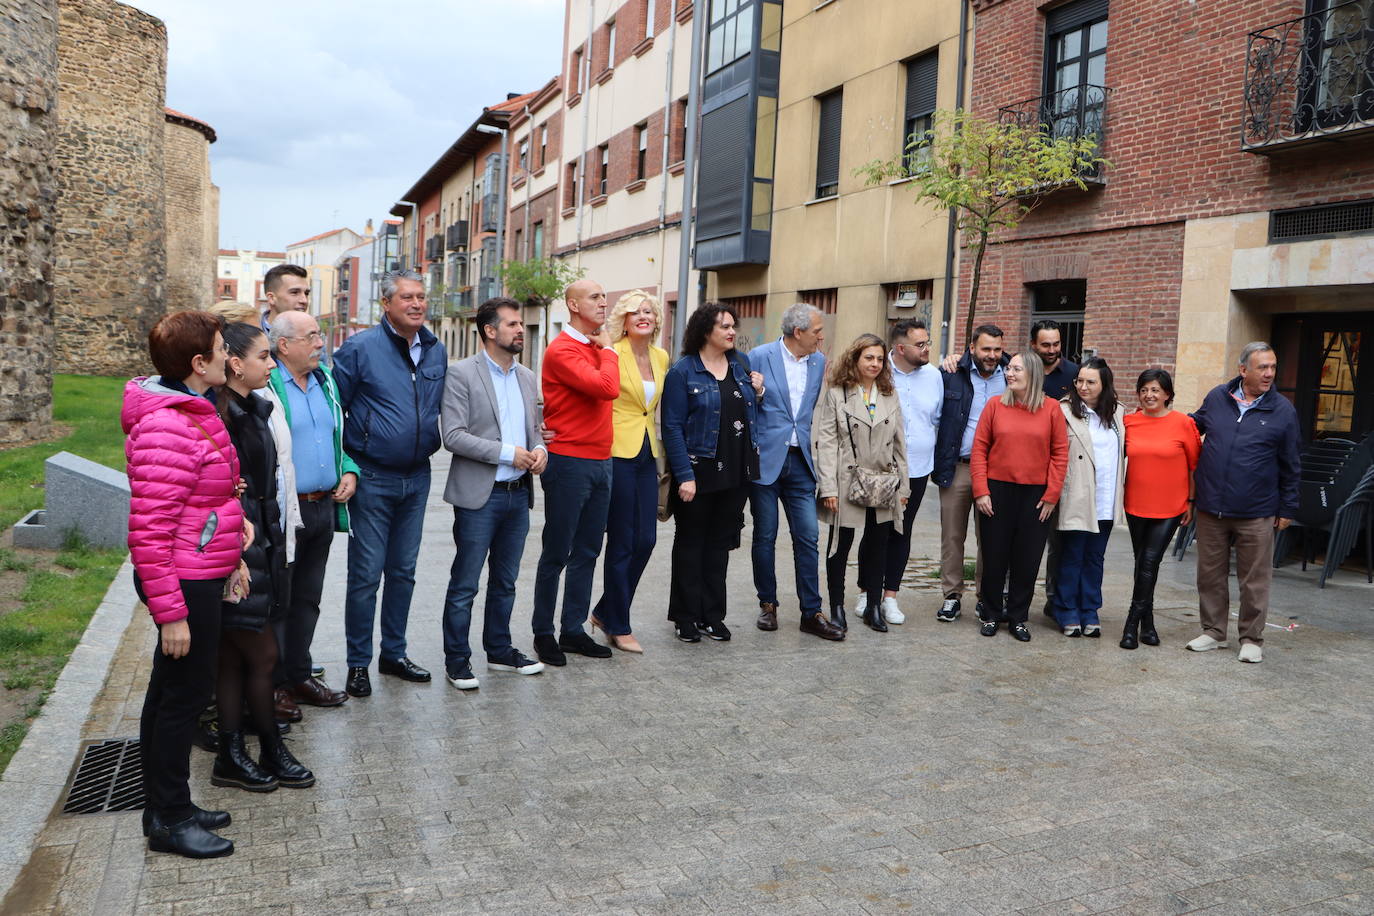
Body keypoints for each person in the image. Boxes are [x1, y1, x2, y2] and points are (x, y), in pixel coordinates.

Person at [124, 310, 241, 858]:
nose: (229, 355)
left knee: (167, 693)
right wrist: (171, 613)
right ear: (199, 364)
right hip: (184, 582)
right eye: (222, 347)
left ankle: (165, 806)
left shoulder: (190, 409)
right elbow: (150, 530)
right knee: (184, 697)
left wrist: (232, 554)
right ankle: (170, 819)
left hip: (199, 570)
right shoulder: (167, 424)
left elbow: (208, 499)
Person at [333, 270, 448, 696]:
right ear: (386, 304)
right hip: (373, 477)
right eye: (407, 298)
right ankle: (358, 662)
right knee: (365, 575)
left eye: (421, 297)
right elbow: (334, 410)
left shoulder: (436, 350)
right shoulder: (360, 349)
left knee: (404, 572)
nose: (417, 304)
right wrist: (347, 464)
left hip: (417, 478)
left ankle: (393, 654)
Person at [210, 323, 314, 792]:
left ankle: (233, 756)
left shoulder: (250, 408)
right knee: (263, 654)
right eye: (264, 357)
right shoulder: (222, 415)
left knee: (234, 657)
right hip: (237, 548)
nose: (272, 365)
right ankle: (267, 747)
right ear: (236, 363)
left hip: (258, 544)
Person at [439, 298, 548, 689]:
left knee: (506, 580)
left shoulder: (528, 376)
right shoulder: (462, 374)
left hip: (519, 495)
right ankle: (457, 660)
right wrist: (509, 453)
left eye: (521, 324)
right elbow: (452, 435)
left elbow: (536, 431)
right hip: (479, 497)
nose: (521, 330)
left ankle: (500, 650)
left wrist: (540, 452)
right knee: (466, 582)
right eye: (513, 324)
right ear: (490, 330)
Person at [263, 311, 354, 716]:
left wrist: (348, 469)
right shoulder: (266, 385)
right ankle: (274, 684)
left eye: (320, 335)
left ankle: (299, 674)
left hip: (322, 507)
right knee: (279, 599)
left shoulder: (325, 381)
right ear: (284, 345)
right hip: (287, 512)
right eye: (313, 337)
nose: (321, 343)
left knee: (308, 598)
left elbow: (337, 436)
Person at [1187, 342, 1299, 664]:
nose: (1269, 374)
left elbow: (1292, 464)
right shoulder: (1217, 398)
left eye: (1273, 367)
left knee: (1254, 579)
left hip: (1257, 511)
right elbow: (1193, 427)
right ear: (1243, 370)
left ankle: (1251, 638)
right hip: (1211, 507)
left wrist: (1287, 508)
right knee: (1209, 574)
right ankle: (1213, 632)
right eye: (1262, 367)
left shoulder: (1282, 410)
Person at [661, 302, 762, 642]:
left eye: (733, 325)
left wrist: (758, 390)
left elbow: (747, 411)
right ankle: (686, 617)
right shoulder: (682, 372)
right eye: (724, 326)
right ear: (706, 331)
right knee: (690, 544)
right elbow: (672, 427)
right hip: (696, 470)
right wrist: (684, 475)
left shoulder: (741, 365)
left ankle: (712, 615)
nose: (732, 331)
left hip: (736, 471)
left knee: (720, 545)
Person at [532, 279, 619, 666]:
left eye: (604, 296)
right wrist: (611, 351)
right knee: (557, 552)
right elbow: (607, 388)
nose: (603, 303)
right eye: (594, 297)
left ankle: (572, 629)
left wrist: (604, 350)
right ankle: (542, 633)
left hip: (602, 461)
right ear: (572, 304)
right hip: (569, 463)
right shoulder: (563, 350)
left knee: (587, 550)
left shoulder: (593, 347)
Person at [746, 303, 844, 641]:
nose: (822, 336)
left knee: (808, 537)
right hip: (765, 461)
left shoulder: (818, 362)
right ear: (798, 332)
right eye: (817, 330)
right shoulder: (759, 356)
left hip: (801, 461)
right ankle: (768, 604)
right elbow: (747, 403)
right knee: (765, 535)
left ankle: (811, 612)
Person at [590, 290, 670, 653]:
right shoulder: (611, 352)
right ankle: (619, 625)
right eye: (636, 311)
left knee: (647, 540)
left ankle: (606, 609)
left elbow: (653, 408)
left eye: (649, 311)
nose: (644, 316)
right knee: (622, 541)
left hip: (646, 453)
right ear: (623, 319)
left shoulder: (661, 356)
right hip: (616, 451)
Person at [813, 334, 910, 633]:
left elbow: (899, 444)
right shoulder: (837, 394)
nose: (875, 364)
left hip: (882, 481)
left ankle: (873, 608)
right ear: (855, 358)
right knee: (839, 548)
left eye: (880, 359)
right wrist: (827, 487)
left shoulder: (889, 394)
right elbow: (826, 443)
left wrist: (903, 488)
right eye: (869, 357)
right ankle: (838, 608)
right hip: (844, 481)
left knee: (879, 546)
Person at [971, 353, 1068, 641]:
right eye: (1008, 368)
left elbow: (1060, 454)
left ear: (1033, 374)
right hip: (996, 490)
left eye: (1015, 369)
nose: (1009, 373)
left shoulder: (1051, 409)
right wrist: (981, 491)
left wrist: (1052, 495)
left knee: (1027, 559)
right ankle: (990, 614)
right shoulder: (995, 405)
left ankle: (1017, 617)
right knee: (994, 556)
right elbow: (979, 450)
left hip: (1036, 495)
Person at [932, 325, 1009, 622]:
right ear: (972, 348)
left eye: (997, 349)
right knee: (952, 535)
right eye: (986, 349)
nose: (991, 355)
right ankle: (951, 595)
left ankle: (985, 596)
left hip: (996, 471)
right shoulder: (951, 373)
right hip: (959, 467)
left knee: (990, 537)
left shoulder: (1013, 375)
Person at [1121, 368, 1200, 650]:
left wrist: (1191, 501)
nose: (1149, 395)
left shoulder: (1183, 423)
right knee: (1142, 562)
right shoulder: (1128, 422)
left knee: (1150, 561)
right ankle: (1149, 625)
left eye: (1155, 390)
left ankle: (1131, 624)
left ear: (1167, 394)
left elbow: (1194, 465)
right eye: (1144, 390)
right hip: (1135, 503)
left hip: (1170, 505)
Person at [1053, 358, 1125, 638]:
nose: (1083, 386)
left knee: (1095, 557)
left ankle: (1090, 609)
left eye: (1090, 382)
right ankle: (1066, 608)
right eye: (1079, 381)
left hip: (1106, 496)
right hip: (1077, 495)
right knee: (1071, 556)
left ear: (1104, 384)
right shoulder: (1064, 411)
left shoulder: (1117, 413)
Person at [880, 319, 942, 625]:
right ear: (900, 348)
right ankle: (867, 591)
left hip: (917, 469)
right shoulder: (879, 370)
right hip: (878, 468)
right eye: (920, 344)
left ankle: (890, 596)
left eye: (928, 342)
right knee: (875, 530)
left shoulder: (935, 377)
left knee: (901, 530)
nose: (927, 348)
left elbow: (938, 418)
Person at [1031, 319, 1079, 619]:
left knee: (1058, 541)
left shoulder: (1074, 374)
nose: (1052, 350)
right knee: (1021, 538)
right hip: (1026, 469)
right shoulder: (1020, 370)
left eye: (1056, 344)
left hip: (1061, 468)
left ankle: (1053, 599)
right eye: (1046, 344)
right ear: (1033, 345)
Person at [260, 264, 310, 332]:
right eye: (294, 292)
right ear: (271, 298)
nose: (304, 300)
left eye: (306, 293)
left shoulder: (314, 337)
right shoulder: (247, 336)